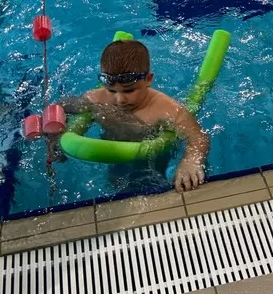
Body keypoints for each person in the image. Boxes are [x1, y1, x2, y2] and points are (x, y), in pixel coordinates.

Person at [65, 38, 209, 192]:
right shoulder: (95, 99)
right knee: (114, 185)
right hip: (113, 154)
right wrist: (57, 128)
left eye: (129, 90)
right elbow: (65, 106)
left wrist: (190, 162)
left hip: (153, 159)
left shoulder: (167, 109)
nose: (120, 99)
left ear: (148, 80)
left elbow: (198, 138)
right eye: (111, 90)